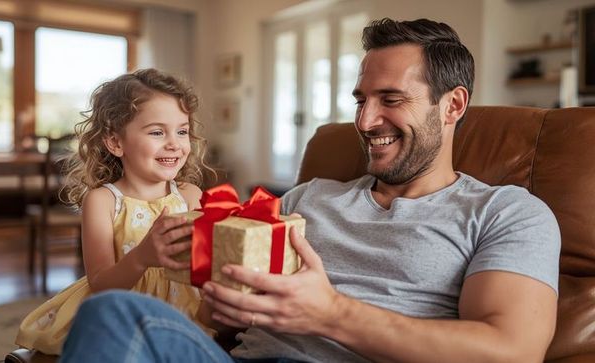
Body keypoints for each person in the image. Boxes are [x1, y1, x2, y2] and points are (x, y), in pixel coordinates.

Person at [60, 18, 561, 363]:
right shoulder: (305, 197)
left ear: (452, 106)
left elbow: (511, 351)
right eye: (360, 100)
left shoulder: (507, 213)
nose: (364, 121)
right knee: (111, 313)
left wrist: (330, 313)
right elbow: (219, 318)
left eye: (390, 99)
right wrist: (215, 284)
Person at [16, 68, 219, 355]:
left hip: (181, 313)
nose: (174, 142)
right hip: (120, 314)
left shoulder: (190, 195)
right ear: (115, 142)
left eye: (182, 131)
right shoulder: (102, 201)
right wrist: (143, 257)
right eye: (157, 132)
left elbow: (205, 264)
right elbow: (100, 284)